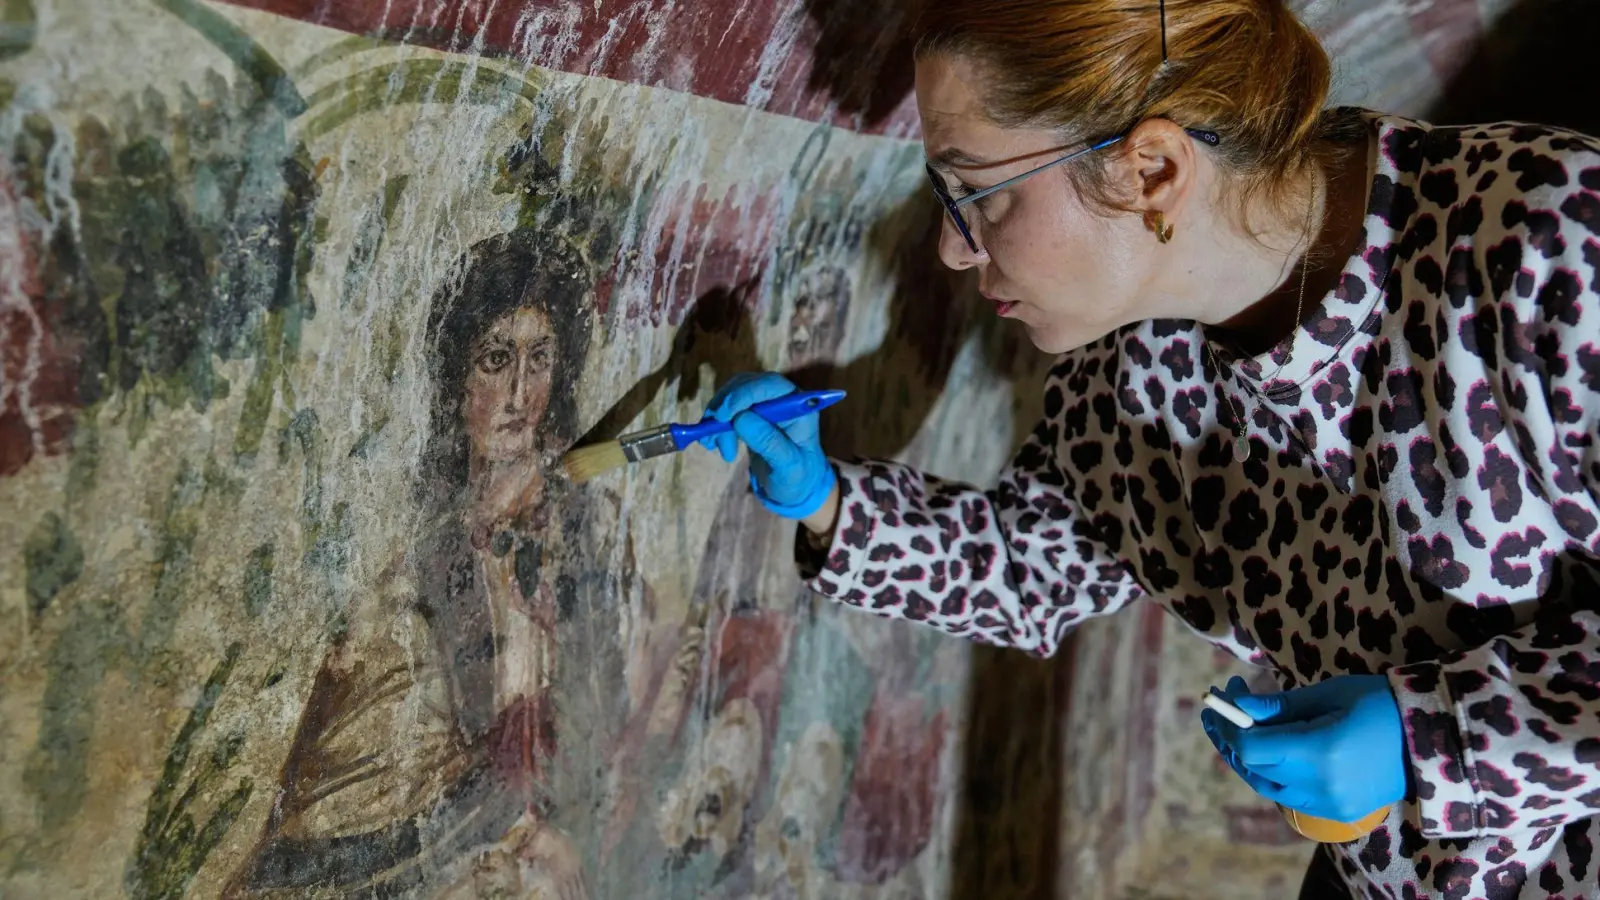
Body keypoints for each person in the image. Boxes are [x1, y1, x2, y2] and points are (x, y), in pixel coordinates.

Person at [699, 1, 1600, 897]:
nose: (952, 250)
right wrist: (824, 498)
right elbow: (1031, 564)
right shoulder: (1138, 364)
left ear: (1153, 169)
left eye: (976, 195)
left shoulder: (1547, 240)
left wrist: (1435, 740)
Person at [227, 230, 696, 899]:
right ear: (458, 382)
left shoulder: (590, 527)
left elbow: (611, 716)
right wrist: (511, 819)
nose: (519, 392)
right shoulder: (420, 568)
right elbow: (360, 793)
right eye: (496, 359)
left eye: (540, 359)